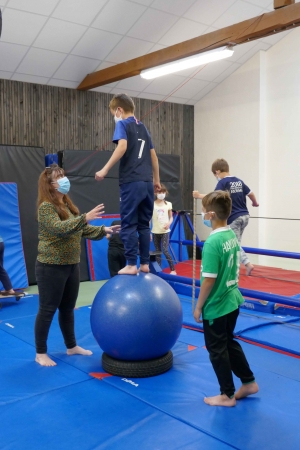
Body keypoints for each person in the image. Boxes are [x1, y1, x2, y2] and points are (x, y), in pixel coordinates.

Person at [35, 164, 120, 367]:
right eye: (58, 177)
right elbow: (59, 229)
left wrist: (104, 230)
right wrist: (85, 218)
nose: (64, 179)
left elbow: (79, 230)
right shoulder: (46, 207)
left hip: (71, 264)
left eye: (64, 175)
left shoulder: (66, 203)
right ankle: (40, 353)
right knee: (47, 309)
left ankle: (71, 346)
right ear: (50, 184)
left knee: (67, 308)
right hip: (51, 266)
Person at [193, 190, 259, 407]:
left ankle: (227, 394)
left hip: (218, 306)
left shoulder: (212, 243)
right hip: (232, 301)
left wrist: (198, 306)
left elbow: (209, 280)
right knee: (228, 342)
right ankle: (248, 382)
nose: (202, 215)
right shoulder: (231, 234)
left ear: (210, 215)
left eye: (203, 212)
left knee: (217, 349)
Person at [95, 93, 161, 275]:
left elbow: (122, 147)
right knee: (144, 225)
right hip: (147, 182)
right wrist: (157, 180)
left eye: (113, 114)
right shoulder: (144, 127)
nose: (114, 117)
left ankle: (131, 264)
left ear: (119, 110)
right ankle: (145, 263)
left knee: (129, 223)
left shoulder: (123, 124)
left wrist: (105, 169)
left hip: (131, 182)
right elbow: (154, 156)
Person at [193, 158, 259, 276]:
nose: (215, 177)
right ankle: (241, 264)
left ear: (217, 171)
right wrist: (255, 203)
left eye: (214, 174)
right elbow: (251, 193)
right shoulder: (239, 181)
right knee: (236, 241)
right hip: (245, 215)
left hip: (234, 217)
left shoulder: (223, 182)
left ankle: (246, 265)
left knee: (234, 243)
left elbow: (213, 197)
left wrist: (198, 196)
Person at [151, 184, 176, 274]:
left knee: (165, 250)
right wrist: (149, 232)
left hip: (165, 231)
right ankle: (158, 270)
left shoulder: (168, 204)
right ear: (155, 193)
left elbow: (171, 217)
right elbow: (149, 218)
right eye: (159, 192)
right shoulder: (152, 204)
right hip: (155, 231)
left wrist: (169, 223)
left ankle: (173, 269)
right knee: (157, 252)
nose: (161, 194)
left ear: (166, 193)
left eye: (163, 192)